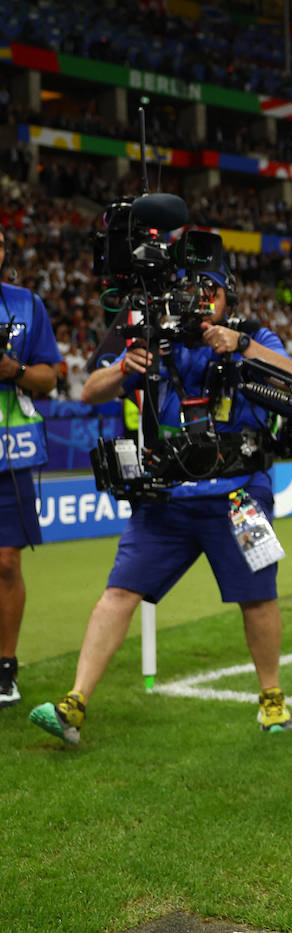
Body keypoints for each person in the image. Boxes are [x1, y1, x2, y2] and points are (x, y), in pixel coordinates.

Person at [29, 268, 292, 744]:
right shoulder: (149, 332)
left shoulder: (252, 333)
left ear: (226, 298)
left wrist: (238, 346)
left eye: (209, 292)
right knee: (119, 592)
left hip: (239, 492)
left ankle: (271, 697)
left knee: (258, 596)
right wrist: (124, 367)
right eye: (188, 292)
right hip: (166, 495)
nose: (198, 301)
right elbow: (91, 391)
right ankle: (74, 702)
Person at [0, 227, 62, 708]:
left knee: (5, 562)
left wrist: (14, 371)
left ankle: (5, 668)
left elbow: (50, 377)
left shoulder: (25, 305)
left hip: (10, 454)